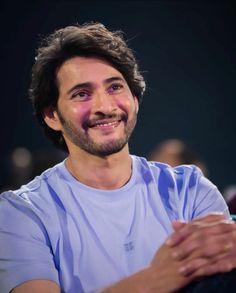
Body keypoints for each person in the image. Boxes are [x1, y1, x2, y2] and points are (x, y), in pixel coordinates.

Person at [0, 22, 236, 293]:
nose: (105, 106)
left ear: (135, 98)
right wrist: (157, 278)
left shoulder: (191, 190)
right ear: (52, 116)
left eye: (114, 87)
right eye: (81, 94)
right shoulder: (22, 213)